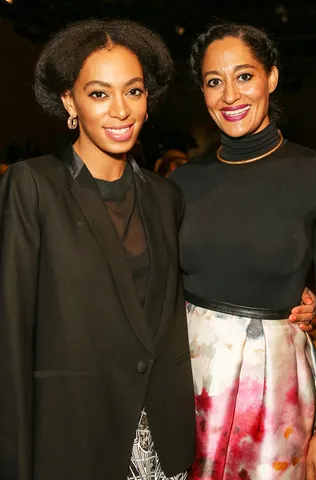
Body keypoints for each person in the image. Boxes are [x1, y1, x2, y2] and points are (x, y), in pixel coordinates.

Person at [0, 19, 195, 480]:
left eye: (133, 91)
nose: (121, 110)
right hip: (75, 435)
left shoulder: (165, 197)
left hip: (162, 440)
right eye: (99, 93)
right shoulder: (32, 186)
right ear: (70, 101)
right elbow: (10, 334)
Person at [170, 22, 316, 480]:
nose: (230, 95)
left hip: (276, 393)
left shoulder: (312, 174)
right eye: (215, 81)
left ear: (271, 78)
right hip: (186, 383)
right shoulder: (180, 183)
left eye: (245, 76)